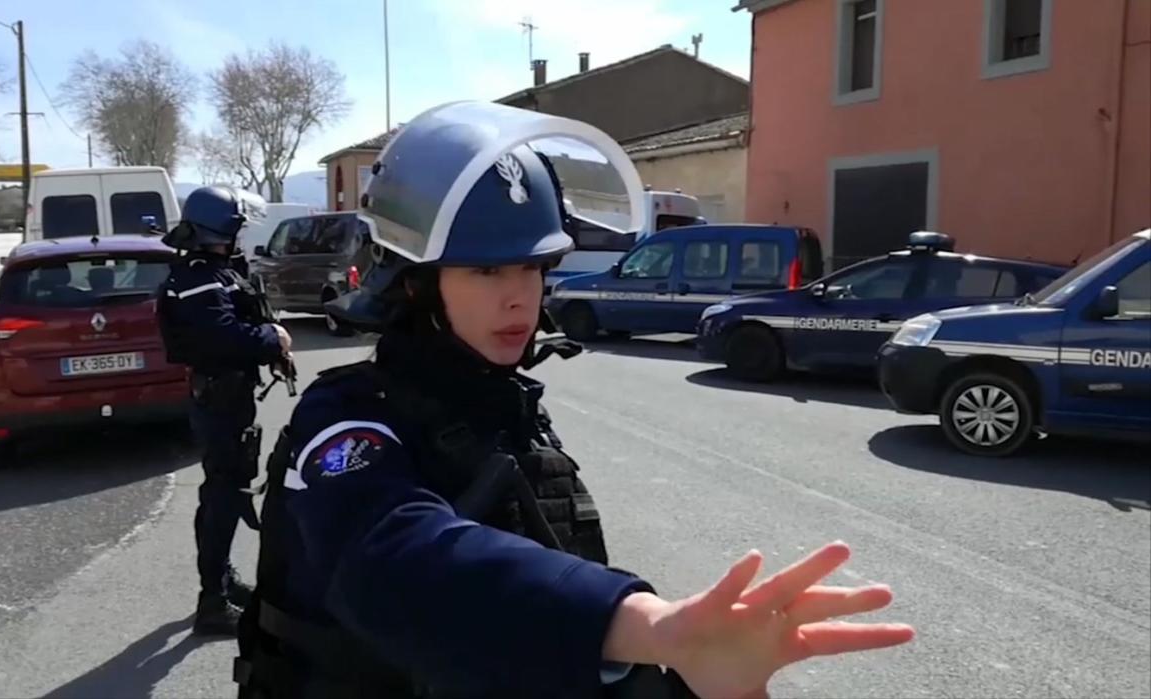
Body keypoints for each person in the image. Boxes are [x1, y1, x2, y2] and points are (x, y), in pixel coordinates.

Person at [233, 102, 914, 698]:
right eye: (487, 268)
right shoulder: (349, 416)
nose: (519, 295)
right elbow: (395, 559)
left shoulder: (508, 409)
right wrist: (654, 625)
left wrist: (687, 675)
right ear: (414, 281)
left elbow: (543, 623)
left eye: (533, 266)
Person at [156, 185, 293, 636]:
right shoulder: (198, 277)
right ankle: (211, 601)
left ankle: (219, 579)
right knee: (222, 494)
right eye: (237, 227)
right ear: (223, 228)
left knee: (228, 489)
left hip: (227, 395)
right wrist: (272, 339)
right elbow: (224, 338)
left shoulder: (213, 270)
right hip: (219, 397)